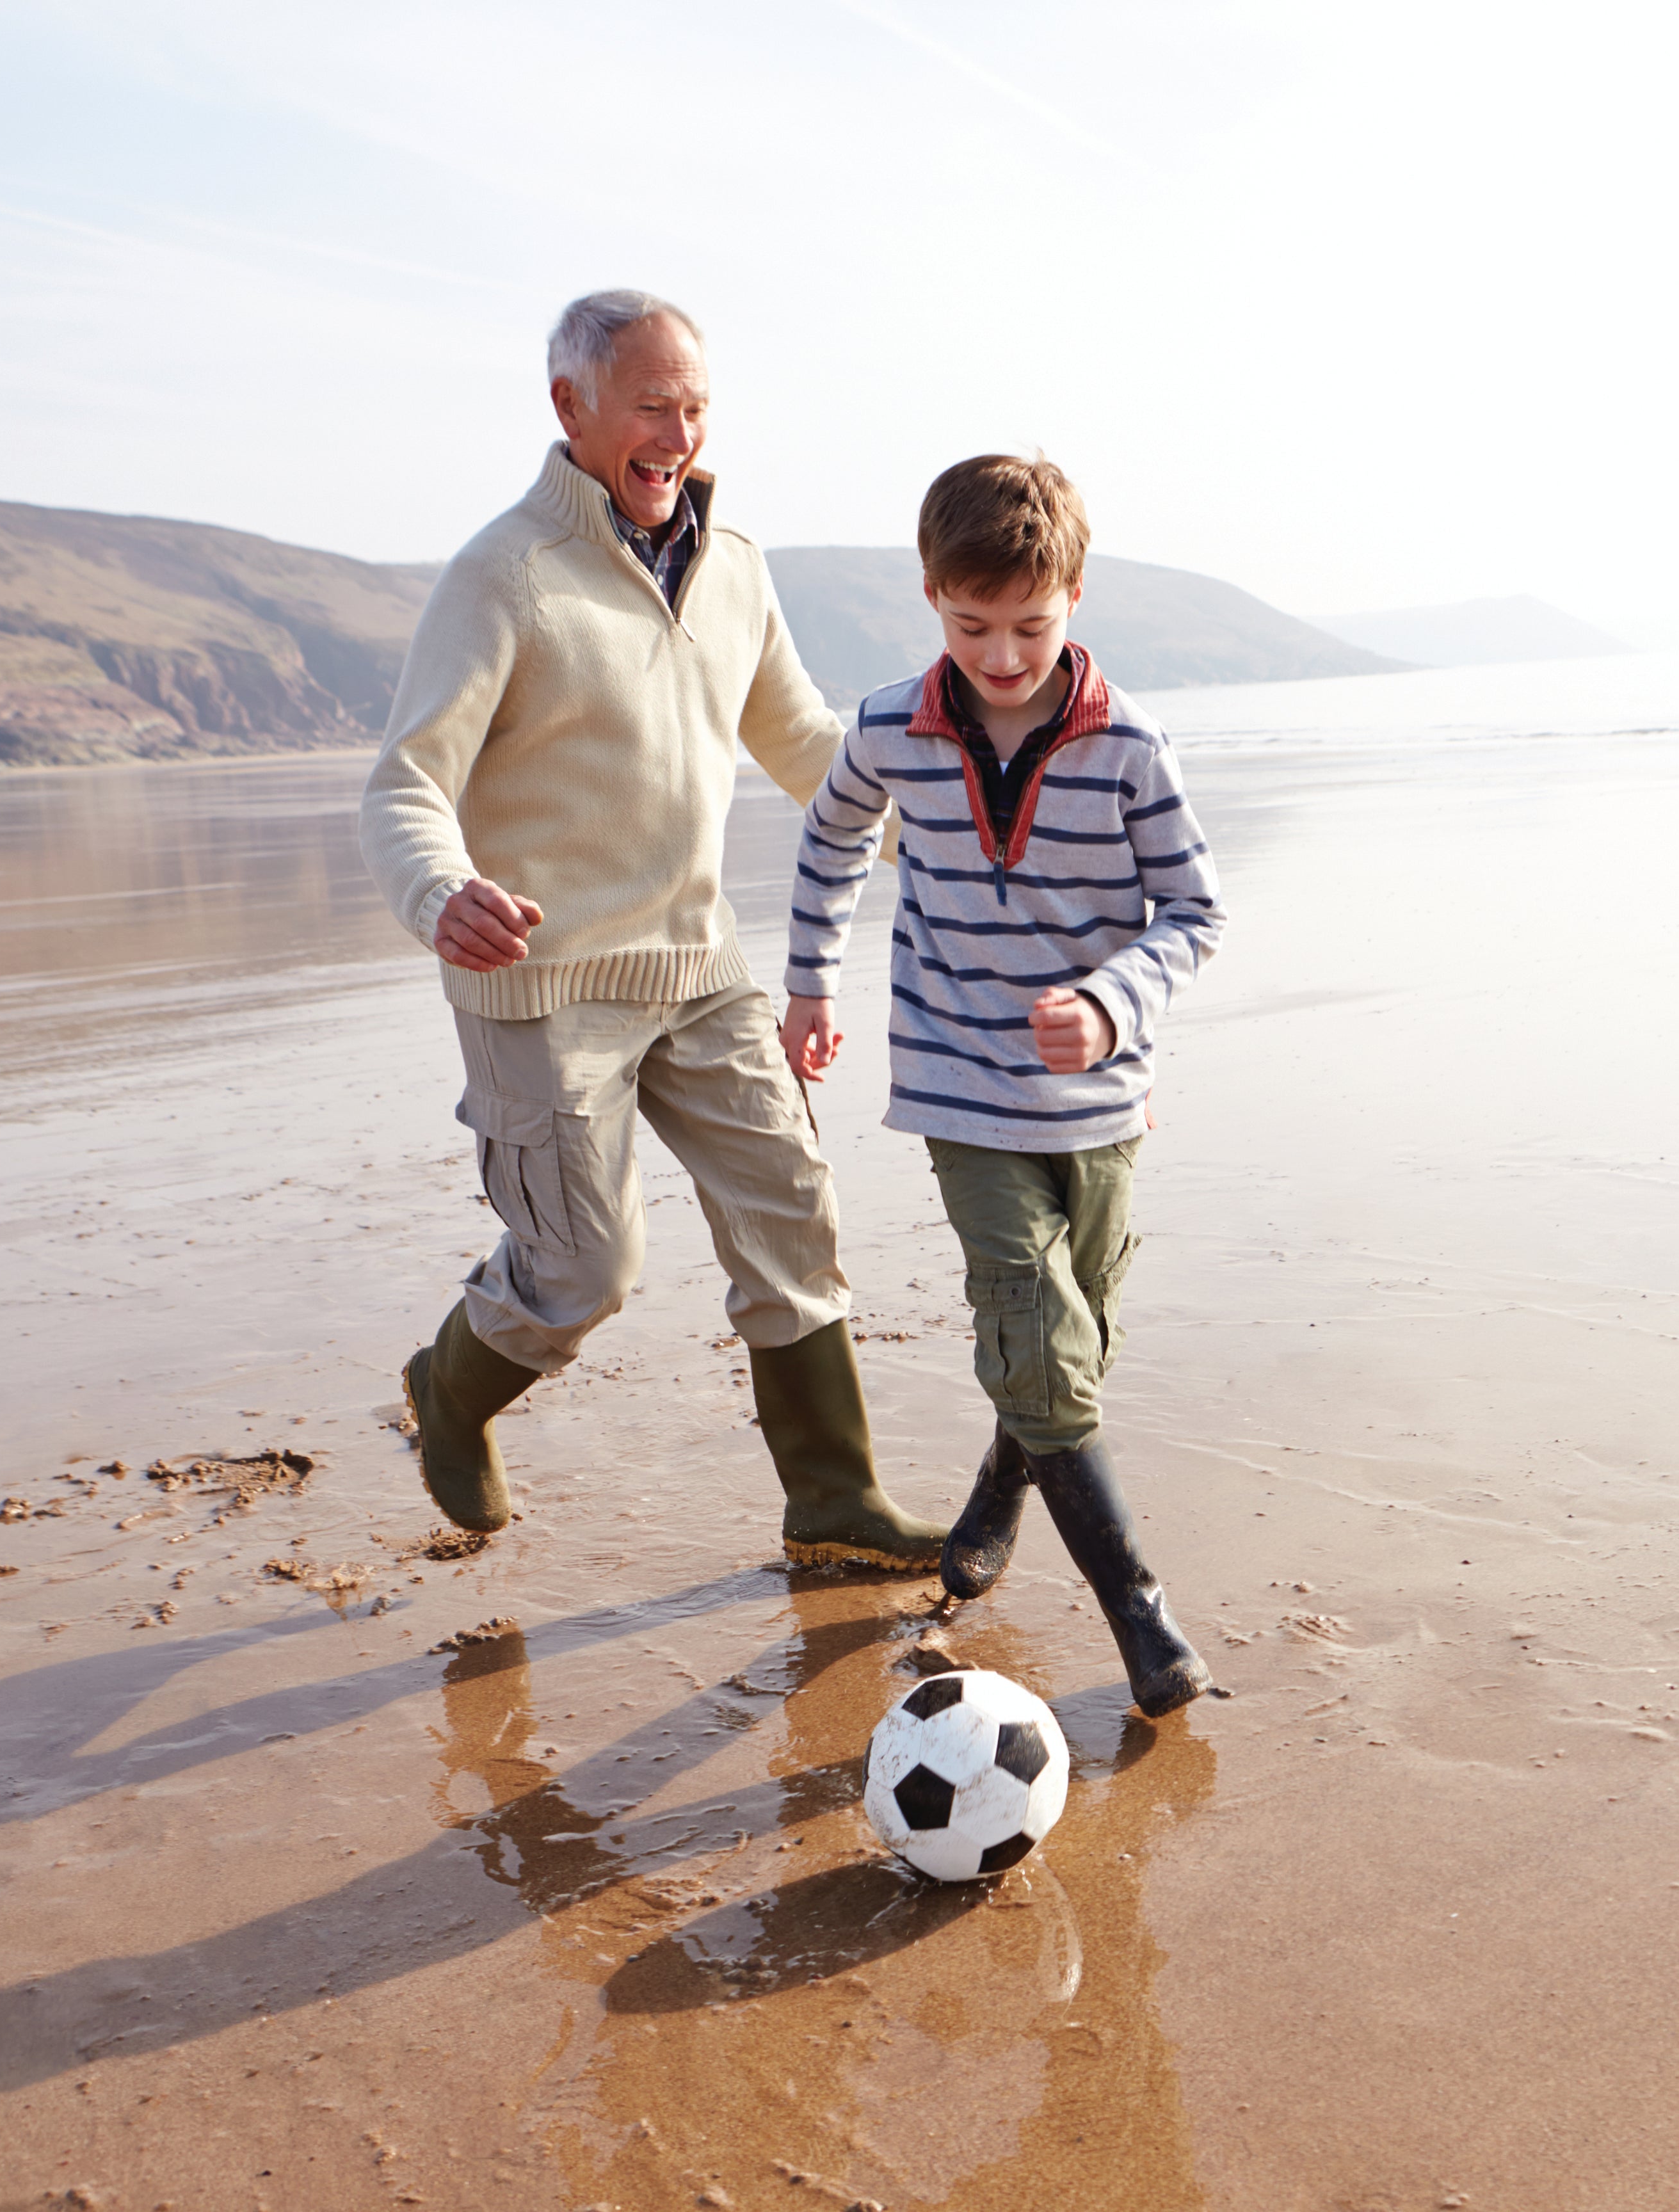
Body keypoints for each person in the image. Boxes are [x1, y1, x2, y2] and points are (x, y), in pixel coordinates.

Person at [358, 289, 945, 1570]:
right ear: (572, 408)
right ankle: (451, 1387)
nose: (677, 434)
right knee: (584, 1272)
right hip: (542, 984)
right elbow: (406, 783)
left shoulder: (735, 564)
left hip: (698, 963)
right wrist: (440, 891)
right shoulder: (504, 574)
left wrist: (948, 838)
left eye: (694, 406)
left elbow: (800, 741)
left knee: (791, 1207)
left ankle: (833, 1498)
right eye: (651, 406)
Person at [780, 455, 1225, 1715]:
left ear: (1074, 596)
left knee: (1075, 1338)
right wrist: (811, 983)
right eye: (973, 626)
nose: (1004, 653)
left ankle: (997, 1487)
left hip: (1100, 1098)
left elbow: (1195, 913)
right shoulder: (890, 731)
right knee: (1034, 1320)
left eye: (1030, 625)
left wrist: (1106, 1001)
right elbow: (828, 840)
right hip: (960, 1086)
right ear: (931, 598)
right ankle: (1140, 1615)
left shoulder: (1132, 749)